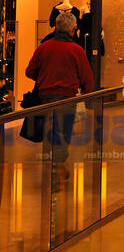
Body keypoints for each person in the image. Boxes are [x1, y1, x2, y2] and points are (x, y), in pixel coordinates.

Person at [25, 10, 94, 165]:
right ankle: (57, 166)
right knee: (63, 132)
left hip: (45, 96)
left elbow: (29, 71)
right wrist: (87, 94)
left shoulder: (44, 47)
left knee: (49, 130)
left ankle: (49, 164)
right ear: (72, 29)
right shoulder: (76, 50)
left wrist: (44, 79)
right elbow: (87, 78)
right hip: (66, 97)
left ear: (56, 27)